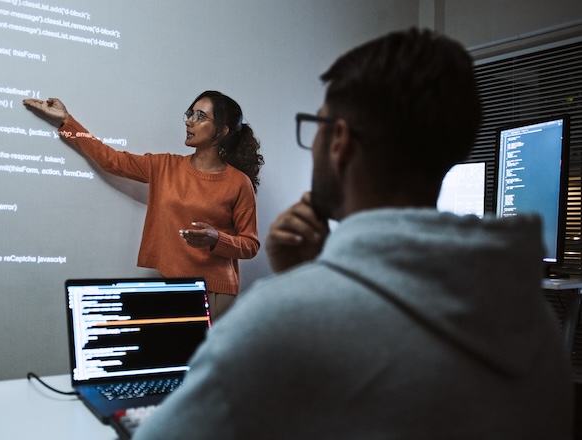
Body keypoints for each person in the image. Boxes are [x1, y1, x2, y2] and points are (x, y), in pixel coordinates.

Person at [132, 28, 574, 439]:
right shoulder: (536, 329)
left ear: (339, 141)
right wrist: (315, 275)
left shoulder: (275, 320)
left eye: (317, 126)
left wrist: (301, 291)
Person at [23, 91, 263, 321]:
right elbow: (110, 160)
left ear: (222, 131)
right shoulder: (165, 167)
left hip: (214, 292)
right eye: (190, 113)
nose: (189, 121)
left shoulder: (238, 183)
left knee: (201, 353)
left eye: (200, 116)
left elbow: (250, 245)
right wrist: (66, 121)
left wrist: (216, 239)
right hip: (170, 285)